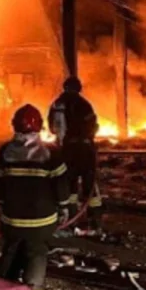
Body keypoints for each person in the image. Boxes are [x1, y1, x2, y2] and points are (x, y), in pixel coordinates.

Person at [0, 104, 69, 290]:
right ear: (40, 127)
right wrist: (65, 206)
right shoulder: (51, 153)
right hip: (42, 222)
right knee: (37, 258)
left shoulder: (5, 151)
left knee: (10, 257)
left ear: (14, 126)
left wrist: (3, 201)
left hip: (12, 220)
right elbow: (62, 185)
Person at [48, 76, 103, 234]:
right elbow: (92, 125)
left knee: (69, 183)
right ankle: (94, 221)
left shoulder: (56, 104)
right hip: (84, 149)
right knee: (90, 185)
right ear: (79, 88)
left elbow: (52, 127)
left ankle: (71, 219)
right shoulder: (84, 105)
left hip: (66, 149)